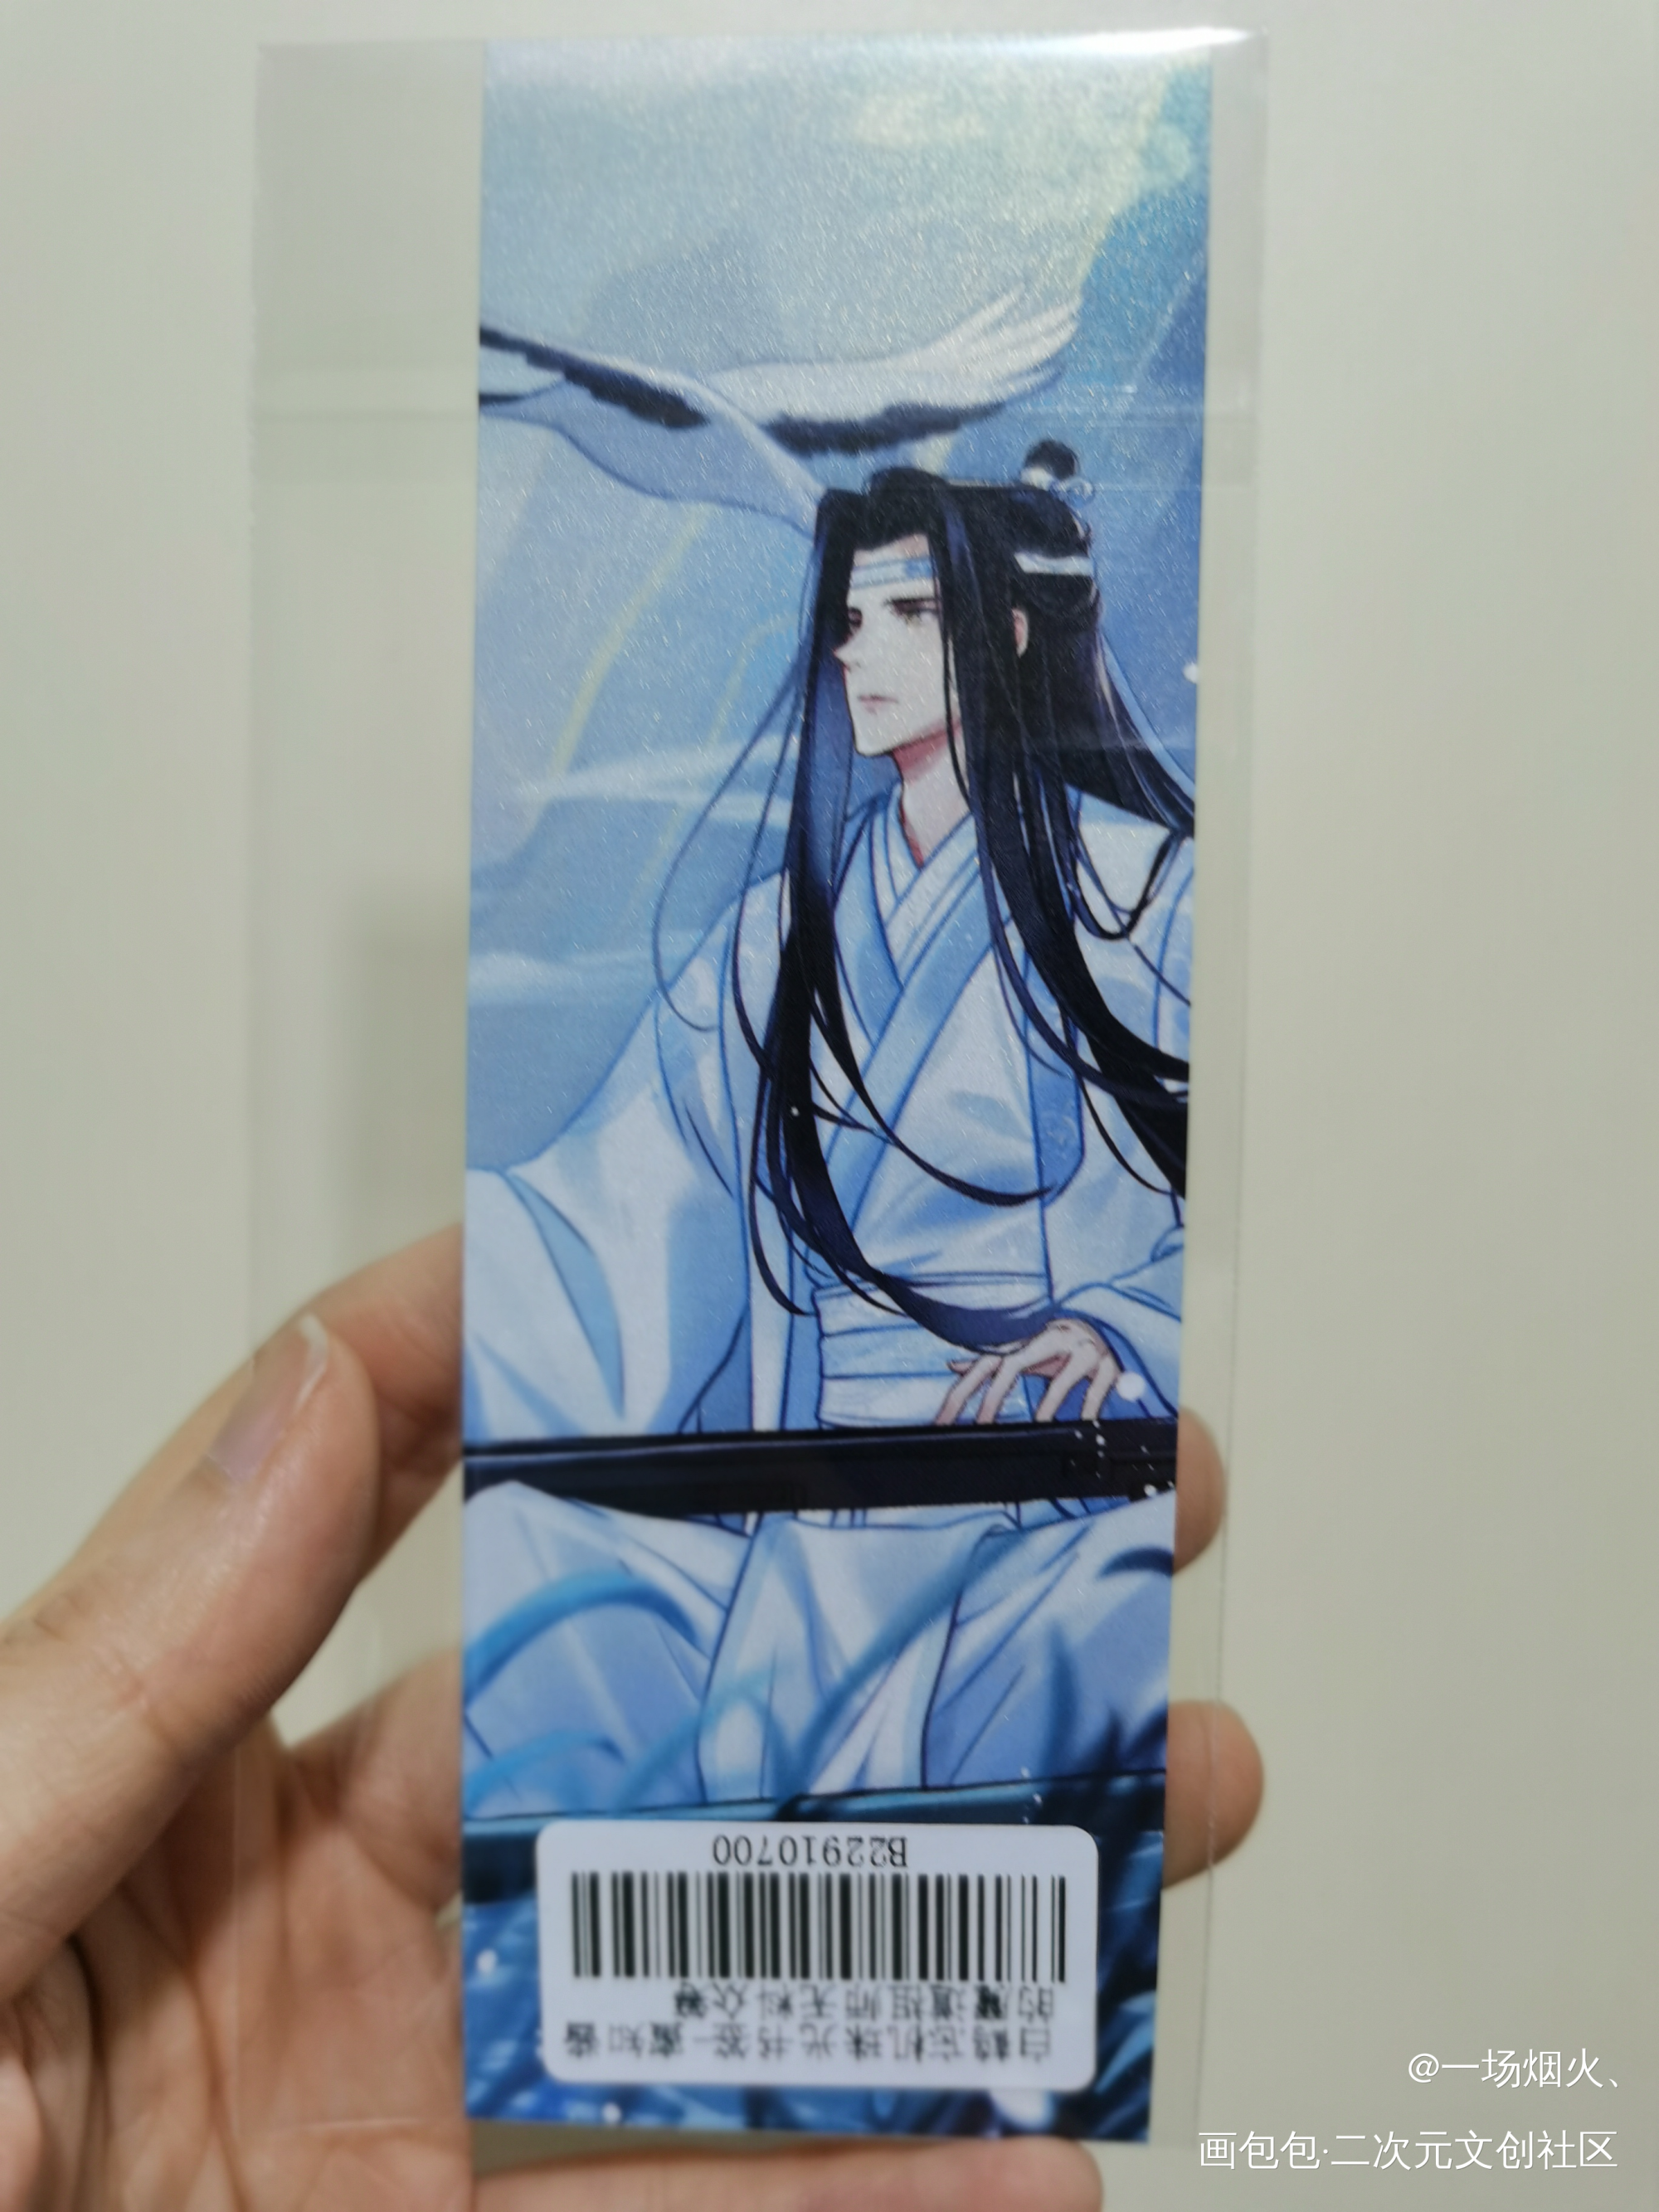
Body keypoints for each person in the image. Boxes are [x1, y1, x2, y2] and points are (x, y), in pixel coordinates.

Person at [0, 1233, 1258, 2206]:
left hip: (1002, 1482)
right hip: (813, 1493)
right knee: (589, 1593)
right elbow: (634, 1214)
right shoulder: (754, 996)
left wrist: (1106, 1321)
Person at [461, 457, 1199, 1818]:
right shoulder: (776, 947)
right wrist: (453, 1293)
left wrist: (1124, 1323)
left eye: (910, 613)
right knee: (516, 1556)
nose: (862, 654)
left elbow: (1257, 1211)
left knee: (1121, 1637)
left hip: (1036, 1511)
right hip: (816, 1505)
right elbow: (609, 1228)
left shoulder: (1148, 897)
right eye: (849, 621)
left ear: (1006, 630)